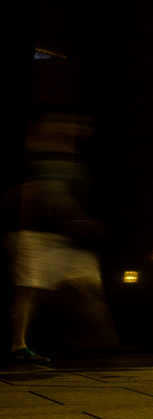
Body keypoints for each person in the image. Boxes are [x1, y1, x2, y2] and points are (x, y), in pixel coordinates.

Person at [6, 113, 117, 365]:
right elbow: (51, 193)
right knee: (30, 291)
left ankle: (95, 339)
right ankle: (18, 345)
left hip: (63, 239)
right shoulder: (42, 160)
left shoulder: (71, 162)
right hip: (37, 235)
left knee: (87, 284)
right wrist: (77, 218)